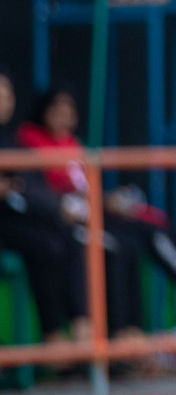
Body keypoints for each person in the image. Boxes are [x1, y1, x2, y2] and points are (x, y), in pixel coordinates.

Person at [17, 87, 176, 334]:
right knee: (119, 244)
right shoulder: (28, 143)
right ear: (43, 110)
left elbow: (84, 189)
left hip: (96, 213)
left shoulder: (72, 145)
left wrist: (108, 201)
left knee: (156, 228)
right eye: (57, 109)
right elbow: (49, 196)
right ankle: (128, 332)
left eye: (69, 109)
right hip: (68, 224)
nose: (64, 115)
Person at [0, 68, 88, 345]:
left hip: (20, 221)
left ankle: (78, 330)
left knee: (65, 239)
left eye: (7, 94)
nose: (4, 100)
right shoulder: (25, 137)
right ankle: (53, 336)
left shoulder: (14, 142)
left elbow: (31, 190)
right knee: (45, 244)